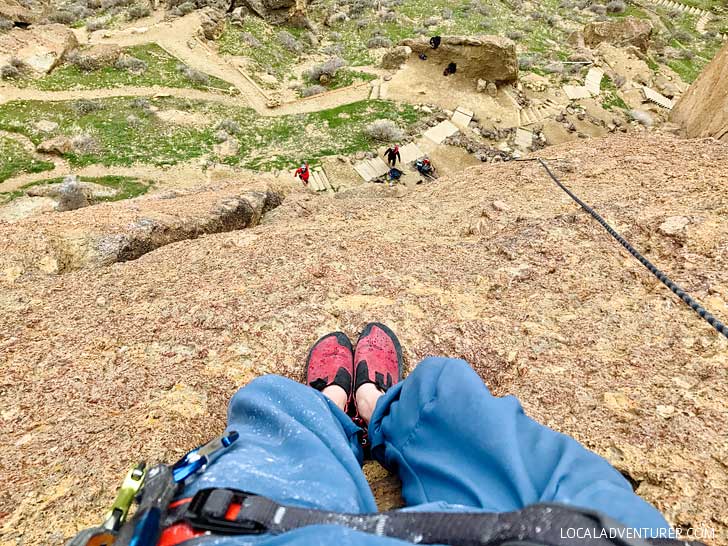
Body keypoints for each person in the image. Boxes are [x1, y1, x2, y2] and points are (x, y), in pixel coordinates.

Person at [157, 322, 674, 546]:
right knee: (450, 390)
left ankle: (330, 405)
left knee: (272, 405)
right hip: (593, 538)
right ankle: (378, 406)